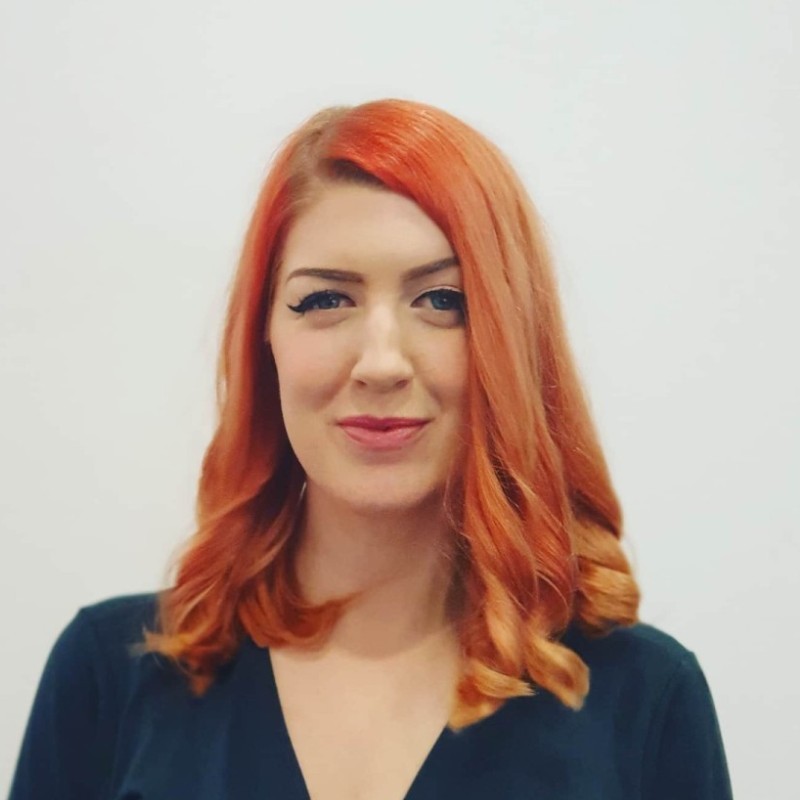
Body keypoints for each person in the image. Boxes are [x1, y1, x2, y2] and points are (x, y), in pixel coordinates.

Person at [9, 99, 733, 800]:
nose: (381, 363)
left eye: (443, 300)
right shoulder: (110, 676)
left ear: (514, 342)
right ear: (266, 338)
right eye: (326, 300)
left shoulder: (645, 700)